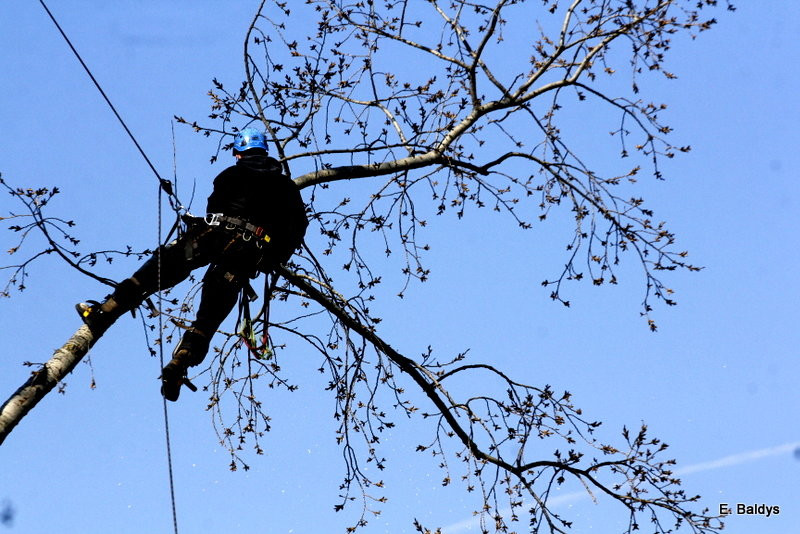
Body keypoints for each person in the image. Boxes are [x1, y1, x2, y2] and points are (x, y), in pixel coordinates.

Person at [76, 128, 308, 401]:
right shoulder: (286, 187)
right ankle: (180, 363)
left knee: (158, 271)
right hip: (247, 251)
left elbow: (214, 209)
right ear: (265, 152)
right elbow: (297, 228)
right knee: (209, 314)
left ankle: (106, 309)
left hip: (212, 234)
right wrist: (272, 259)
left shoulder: (229, 175)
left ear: (238, 153)